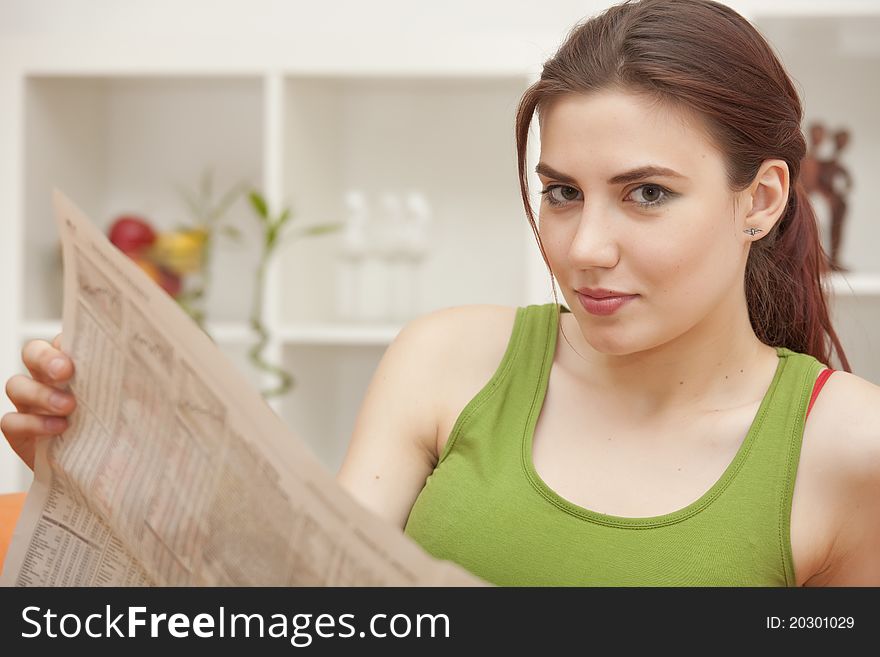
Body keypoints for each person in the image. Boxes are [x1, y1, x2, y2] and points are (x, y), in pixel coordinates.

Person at [3, 0, 879, 586]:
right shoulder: (449, 358)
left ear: (760, 199)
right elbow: (307, 603)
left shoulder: (848, 446)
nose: (585, 247)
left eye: (647, 193)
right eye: (562, 192)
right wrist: (89, 473)